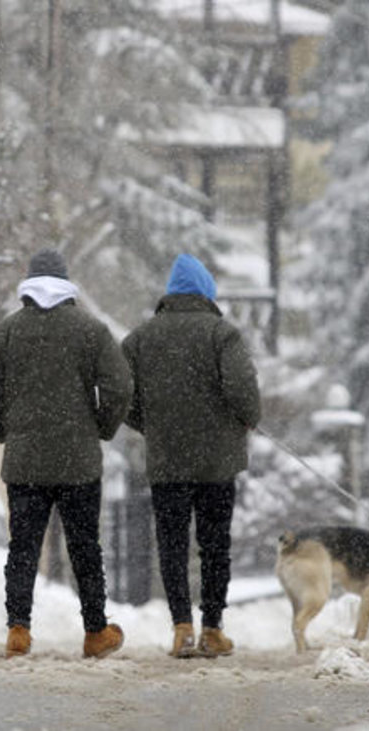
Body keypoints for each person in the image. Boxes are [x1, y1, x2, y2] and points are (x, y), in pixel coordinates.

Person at [0, 249, 131, 659]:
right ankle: (96, 632)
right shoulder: (91, 331)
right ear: (65, 284)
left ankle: (18, 630)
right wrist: (101, 426)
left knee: (22, 547)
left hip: (24, 462)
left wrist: (8, 429)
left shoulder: (5, 333)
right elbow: (119, 387)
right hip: (78, 460)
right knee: (85, 547)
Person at [122, 253, 261, 658]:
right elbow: (242, 390)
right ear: (205, 293)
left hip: (167, 461)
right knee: (215, 544)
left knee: (172, 543)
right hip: (217, 462)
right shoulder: (223, 335)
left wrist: (150, 425)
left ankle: (181, 625)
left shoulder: (140, 339)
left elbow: (121, 395)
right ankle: (213, 628)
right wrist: (246, 419)